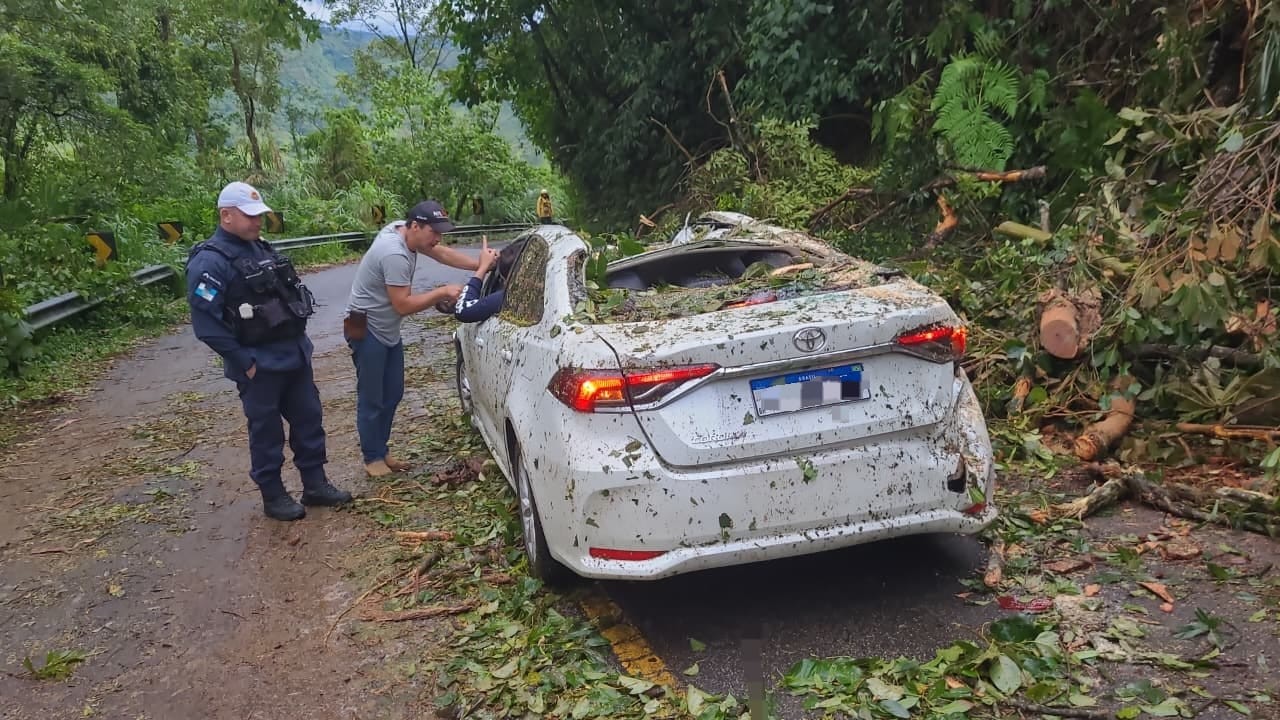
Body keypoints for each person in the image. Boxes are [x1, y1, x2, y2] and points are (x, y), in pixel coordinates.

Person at [186, 181, 352, 521]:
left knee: (309, 420)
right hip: (258, 364)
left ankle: (315, 484)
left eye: (259, 216)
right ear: (226, 216)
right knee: (266, 432)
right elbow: (207, 325)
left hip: (293, 355)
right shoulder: (210, 262)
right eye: (249, 217)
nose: (257, 222)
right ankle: (273, 495)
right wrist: (243, 362)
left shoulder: (261, 248)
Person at [344, 200, 498, 477]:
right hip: (367, 328)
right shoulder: (394, 254)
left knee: (393, 392)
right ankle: (372, 458)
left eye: (441, 232)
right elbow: (402, 305)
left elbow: (442, 254)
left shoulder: (403, 231)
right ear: (415, 226)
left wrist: (482, 263)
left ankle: (381, 450)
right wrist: (441, 293)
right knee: (372, 396)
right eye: (433, 232)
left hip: (387, 329)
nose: (437, 238)